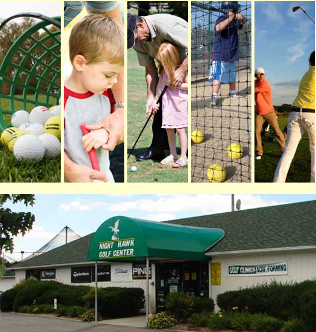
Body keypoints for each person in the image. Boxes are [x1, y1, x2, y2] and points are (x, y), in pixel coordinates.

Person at [64, 1, 125, 182]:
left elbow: (120, 126)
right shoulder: (64, 100)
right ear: (81, 63)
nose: (114, 81)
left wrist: (105, 133)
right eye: (108, 75)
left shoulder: (107, 93)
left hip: (106, 180)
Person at [127, 13, 188, 161]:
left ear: (140, 26)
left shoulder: (165, 26)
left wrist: (180, 72)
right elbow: (150, 69)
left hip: (185, 64)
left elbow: (194, 48)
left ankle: (185, 154)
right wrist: (151, 98)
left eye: (135, 38)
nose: (136, 42)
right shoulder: (138, 43)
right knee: (161, 109)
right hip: (165, 70)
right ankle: (159, 149)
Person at [274, 51, 315, 183]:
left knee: (288, 151)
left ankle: (277, 183)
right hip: (311, 114)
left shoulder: (307, 73)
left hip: (295, 112)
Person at [152, 42, 188, 167]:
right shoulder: (163, 71)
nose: (162, 63)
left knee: (180, 129)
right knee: (169, 129)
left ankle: (184, 156)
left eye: (164, 61)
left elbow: (189, 86)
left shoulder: (181, 70)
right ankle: (173, 155)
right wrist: (155, 102)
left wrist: (176, 84)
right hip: (168, 104)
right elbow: (160, 87)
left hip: (179, 104)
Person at [209, 1, 247, 106]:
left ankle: (232, 92)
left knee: (232, 73)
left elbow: (244, 22)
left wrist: (241, 17)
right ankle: (214, 96)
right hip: (221, 53)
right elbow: (218, 28)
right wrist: (230, 18)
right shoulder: (221, 18)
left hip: (232, 53)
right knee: (218, 76)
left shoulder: (236, 20)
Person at [255, 67, 285, 160]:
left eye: (263, 74)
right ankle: (259, 152)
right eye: (259, 74)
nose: (261, 75)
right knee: (257, 131)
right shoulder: (255, 82)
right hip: (258, 112)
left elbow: (254, 90)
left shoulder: (265, 84)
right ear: (256, 75)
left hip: (269, 112)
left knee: (277, 131)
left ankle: (284, 150)